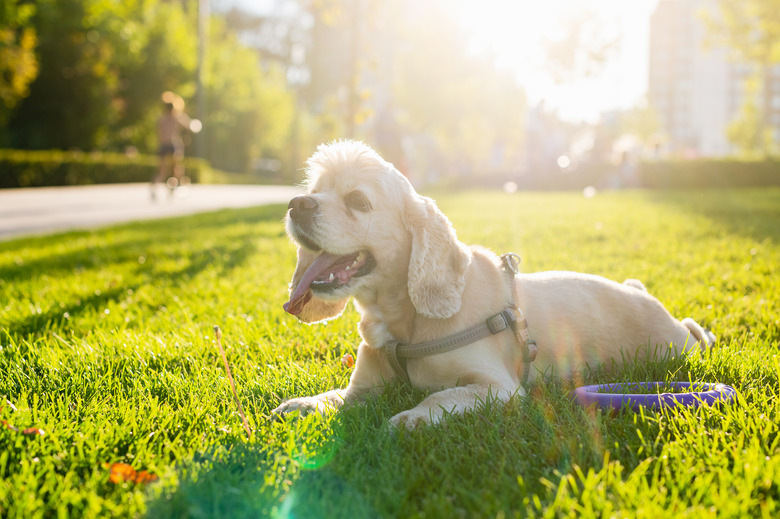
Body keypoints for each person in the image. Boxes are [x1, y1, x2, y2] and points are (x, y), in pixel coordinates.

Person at [151, 92, 201, 199]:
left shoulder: (161, 119)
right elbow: (190, 126)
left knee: (162, 170)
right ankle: (173, 187)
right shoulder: (177, 117)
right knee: (176, 168)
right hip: (173, 145)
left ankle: (156, 188)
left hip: (163, 146)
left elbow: (160, 134)